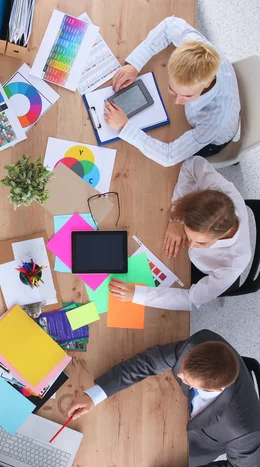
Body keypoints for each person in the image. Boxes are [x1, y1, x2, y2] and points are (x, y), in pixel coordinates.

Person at [68, 329, 260, 467]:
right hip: (171, 413)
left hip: (190, 455)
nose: (178, 374)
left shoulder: (244, 431)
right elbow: (147, 362)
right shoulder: (198, 344)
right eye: (183, 367)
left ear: (216, 390)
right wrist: (94, 395)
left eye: (187, 379)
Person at [109, 156, 250, 310]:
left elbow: (191, 299)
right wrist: (176, 222)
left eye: (201, 243)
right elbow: (192, 163)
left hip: (206, 272)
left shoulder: (233, 264)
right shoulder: (219, 191)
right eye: (188, 234)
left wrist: (138, 295)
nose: (191, 245)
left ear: (224, 233)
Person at [104, 16, 240, 167]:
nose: (176, 102)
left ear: (207, 82)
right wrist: (135, 64)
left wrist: (125, 127)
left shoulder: (214, 119)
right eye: (172, 89)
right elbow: (169, 25)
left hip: (214, 141)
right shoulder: (196, 46)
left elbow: (169, 156)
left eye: (188, 95)